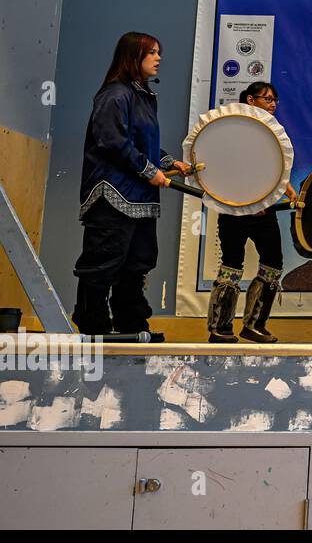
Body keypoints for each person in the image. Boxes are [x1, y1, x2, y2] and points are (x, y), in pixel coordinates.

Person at [74, 32, 192, 335]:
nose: (158, 58)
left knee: (137, 262)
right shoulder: (115, 94)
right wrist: (147, 169)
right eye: (151, 52)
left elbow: (143, 143)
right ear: (132, 57)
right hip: (113, 194)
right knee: (104, 261)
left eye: (158, 52)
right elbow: (112, 141)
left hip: (140, 196)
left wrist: (168, 163)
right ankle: (93, 326)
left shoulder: (141, 95)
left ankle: (131, 324)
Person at [205, 81, 299, 344]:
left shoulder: (271, 135)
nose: (272, 104)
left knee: (273, 263)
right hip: (235, 211)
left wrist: (286, 187)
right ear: (250, 100)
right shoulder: (232, 132)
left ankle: (254, 325)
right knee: (232, 264)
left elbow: (271, 169)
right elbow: (224, 170)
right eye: (267, 99)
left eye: (275, 100)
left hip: (264, 213)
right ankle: (220, 327)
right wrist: (247, 201)